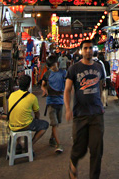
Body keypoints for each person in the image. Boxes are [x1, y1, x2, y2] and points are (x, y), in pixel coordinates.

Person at [64, 39, 106, 179]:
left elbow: (100, 86)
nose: (88, 50)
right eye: (86, 48)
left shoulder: (99, 67)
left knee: (96, 150)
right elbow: (67, 89)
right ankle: (73, 161)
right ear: (81, 50)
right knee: (79, 148)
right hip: (80, 115)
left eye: (90, 48)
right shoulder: (74, 69)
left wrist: (101, 102)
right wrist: (68, 108)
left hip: (96, 114)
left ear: (94, 50)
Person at [7, 75, 49, 153]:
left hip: (12, 125)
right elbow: (37, 114)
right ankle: (30, 145)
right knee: (45, 124)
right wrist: (36, 119)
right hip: (26, 125)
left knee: (19, 118)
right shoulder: (32, 97)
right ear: (29, 85)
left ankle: (17, 144)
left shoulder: (12, 95)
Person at [41, 55, 66, 153]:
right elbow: (42, 85)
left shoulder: (63, 72)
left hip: (60, 101)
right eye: (53, 65)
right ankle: (58, 144)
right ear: (50, 66)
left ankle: (52, 138)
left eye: (55, 64)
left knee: (57, 123)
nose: (55, 66)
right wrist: (45, 90)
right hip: (51, 102)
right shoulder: (47, 74)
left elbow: (68, 83)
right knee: (54, 123)